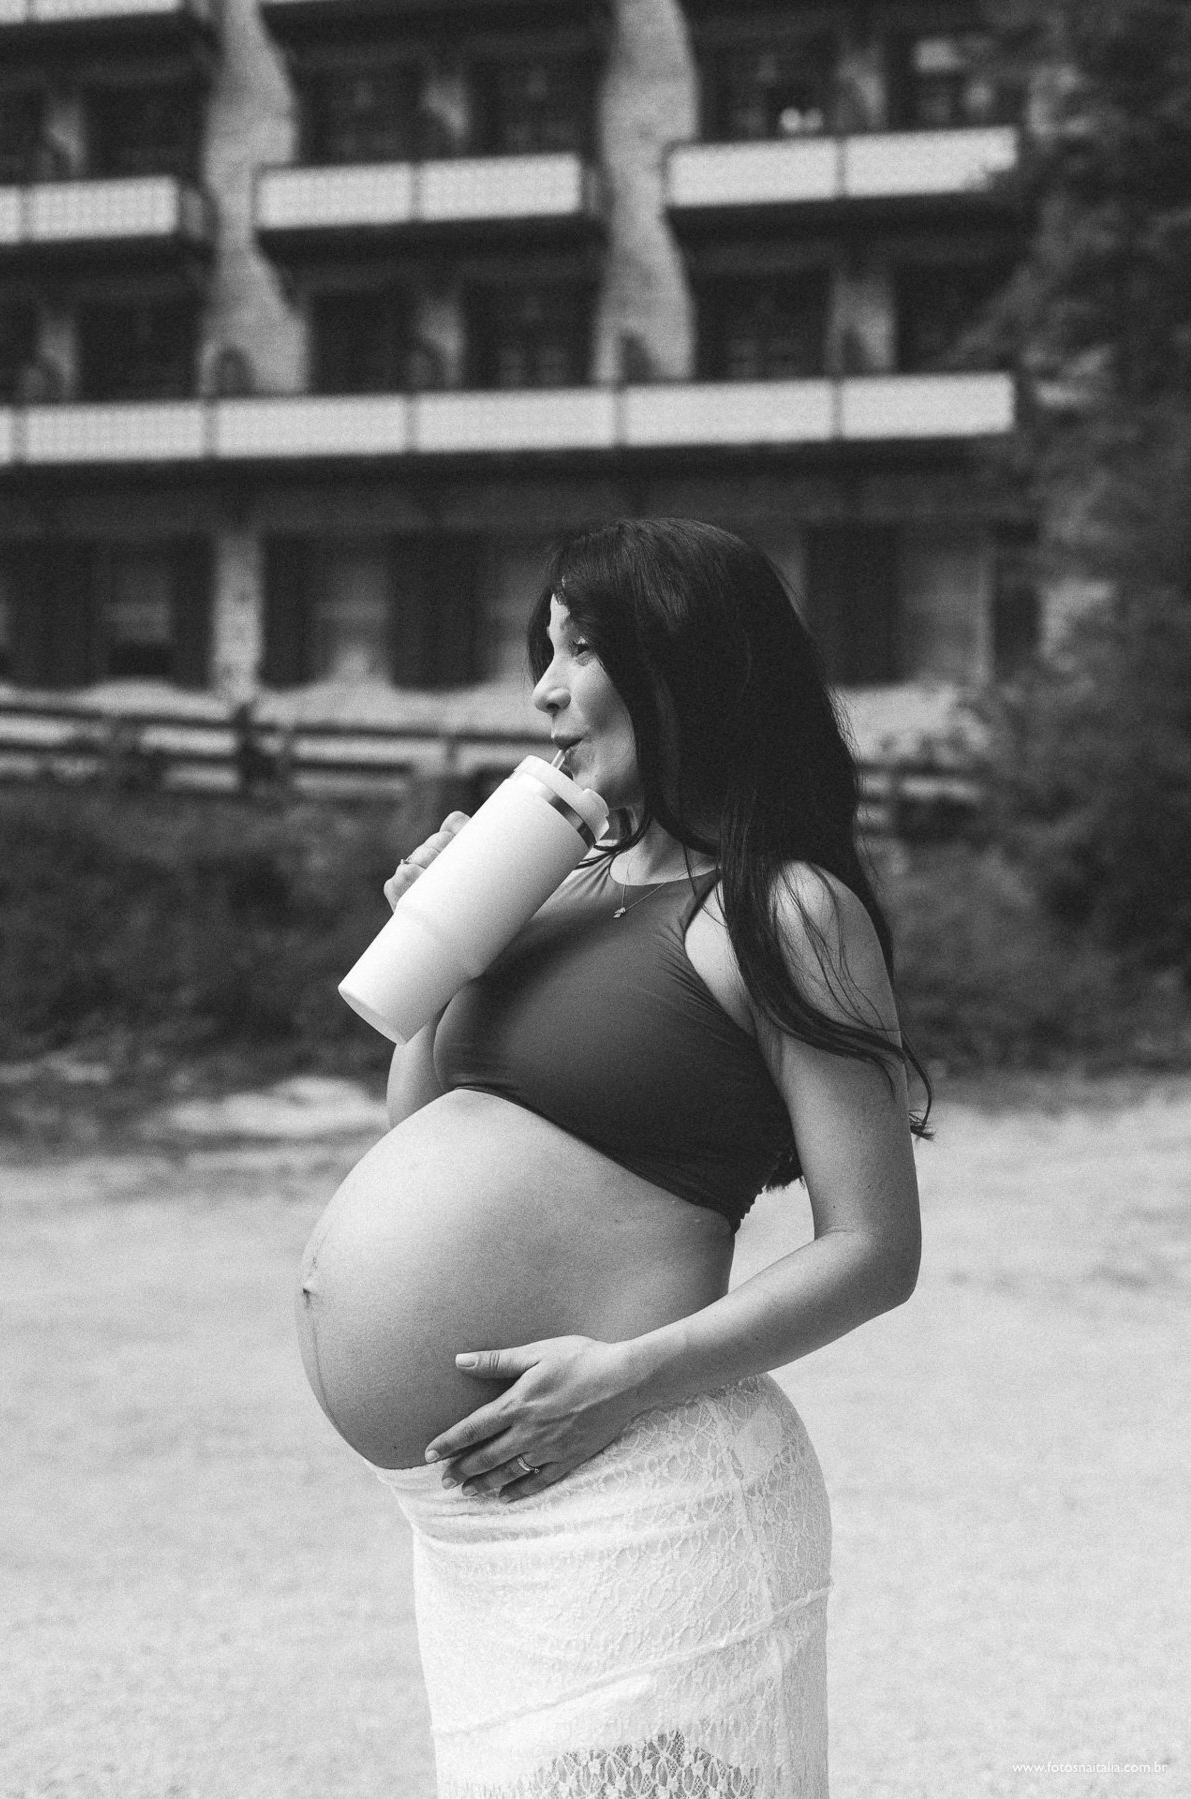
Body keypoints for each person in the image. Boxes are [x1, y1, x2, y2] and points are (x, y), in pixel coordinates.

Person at [297, 517, 927, 1799]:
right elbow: (414, 1130)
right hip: (476, 1524)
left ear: (687, 662)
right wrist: (450, 940)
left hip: (639, 1490)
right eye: (544, 647)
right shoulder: (560, 881)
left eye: (580, 647)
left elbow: (875, 1249)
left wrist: (628, 1377)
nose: (542, 687)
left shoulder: (784, 907)